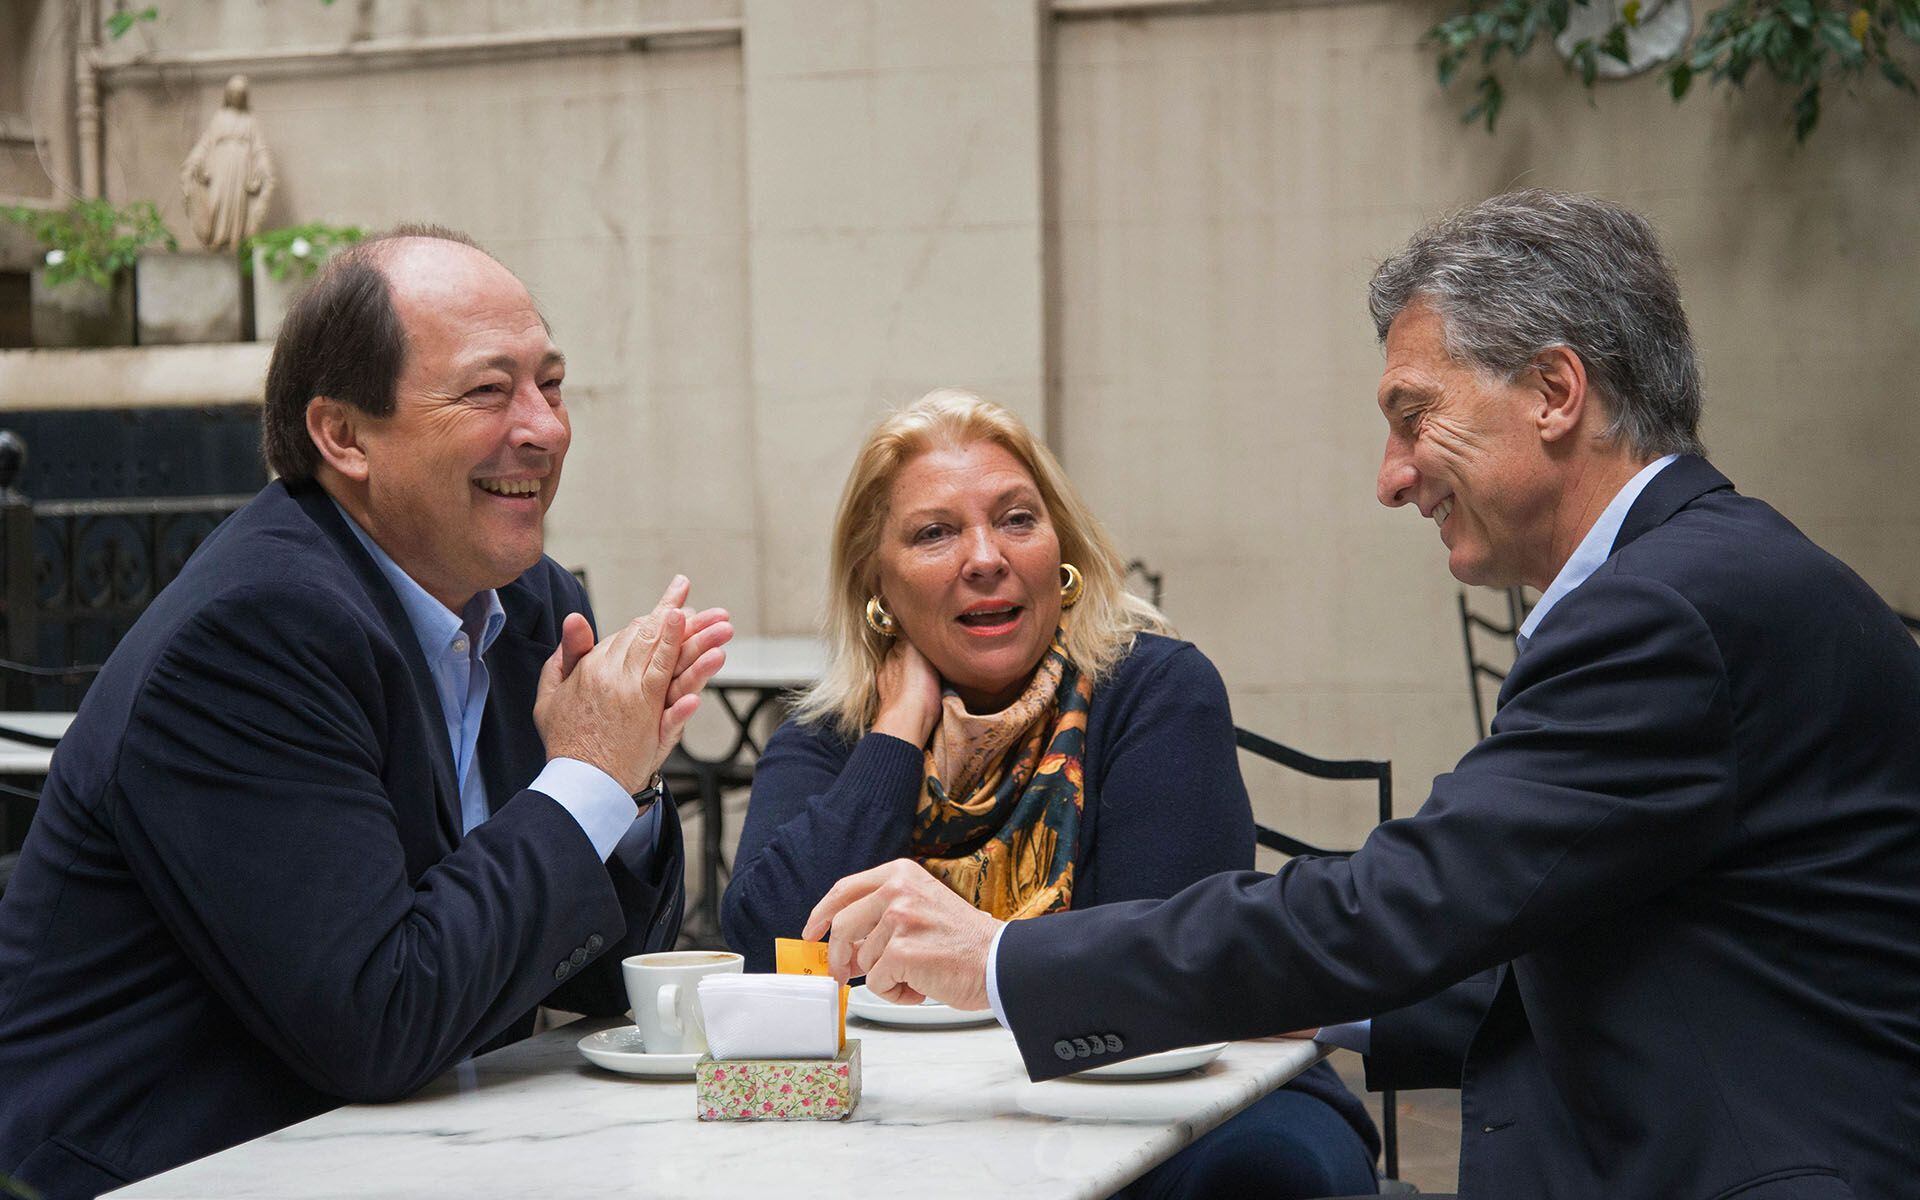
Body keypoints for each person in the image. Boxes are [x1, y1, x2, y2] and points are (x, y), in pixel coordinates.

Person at [804, 192, 1920, 1199]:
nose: (1390, 478)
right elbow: (1582, 941)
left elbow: (1407, 902)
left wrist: (1000, 960)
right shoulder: (1698, 576)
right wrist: (1310, 1003)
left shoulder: (1663, 610)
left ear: (1554, 392)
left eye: (1412, 415)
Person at [0, 227, 733, 1200]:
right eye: (488, 391)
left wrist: (623, 788)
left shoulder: (528, 602)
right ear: (344, 436)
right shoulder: (255, 633)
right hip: (161, 1169)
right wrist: (589, 774)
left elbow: (594, 979)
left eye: (551, 385)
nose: (545, 429)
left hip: (416, 1155)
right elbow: (379, 1020)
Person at [723, 389, 1380, 1198]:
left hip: (1176, 1103)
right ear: (878, 587)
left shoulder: (1153, 689)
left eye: (1016, 519)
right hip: (910, 1108)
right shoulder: (836, 737)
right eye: (934, 533)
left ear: (1059, 550)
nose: (985, 557)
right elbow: (770, 953)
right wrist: (897, 732)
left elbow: (1167, 975)